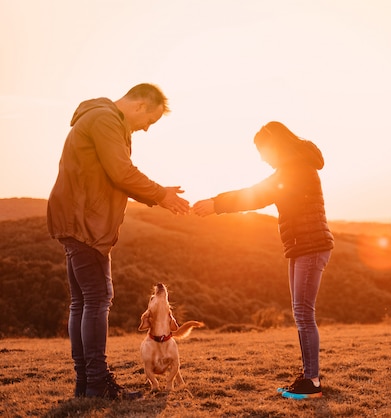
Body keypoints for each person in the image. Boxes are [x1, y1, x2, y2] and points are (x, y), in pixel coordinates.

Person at [47, 83, 190, 400]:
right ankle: (97, 384)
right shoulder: (106, 119)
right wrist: (160, 194)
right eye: (149, 121)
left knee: (82, 303)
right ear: (140, 105)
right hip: (87, 223)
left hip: (76, 219)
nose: (146, 129)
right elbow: (121, 172)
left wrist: (156, 195)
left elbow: (114, 173)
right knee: (97, 300)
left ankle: (86, 384)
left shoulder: (97, 117)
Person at [193, 121, 334, 400]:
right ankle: (308, 376)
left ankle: (312, 382)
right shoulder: (295, 166)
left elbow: (256, 195)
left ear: (275, 146)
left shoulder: (295, 170)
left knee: (304, 315)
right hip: (300, 246)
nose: (261, 157)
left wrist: (216, 204)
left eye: (262, 150)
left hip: (310, 246)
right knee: (301, 314)